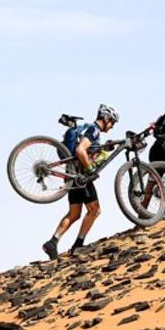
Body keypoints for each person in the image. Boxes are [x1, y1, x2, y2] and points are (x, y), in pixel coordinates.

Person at [43, 104, 119, 259]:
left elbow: (88, 150)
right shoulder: (94, 130)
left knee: (74, 213)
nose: (112, 126)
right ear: (105, 118)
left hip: (71, 173)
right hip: (80, 174)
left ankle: (52, 242)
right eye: (112, 122)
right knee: (95, 210)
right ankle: (78, 245)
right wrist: (90, 170)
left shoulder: (87, 129)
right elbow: (80, 150)